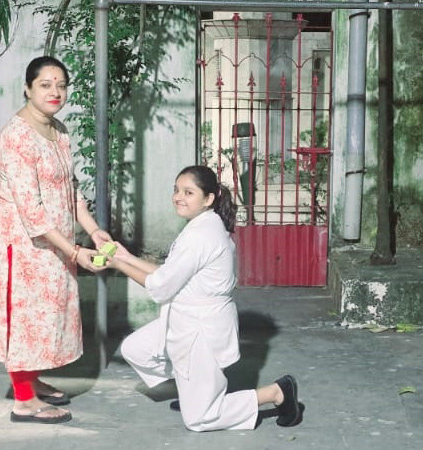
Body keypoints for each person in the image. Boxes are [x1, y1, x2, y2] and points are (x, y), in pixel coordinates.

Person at [109, 165, 302, 432]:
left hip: (199, 327)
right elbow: (169, 274)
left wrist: (116, 265)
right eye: (176, 190)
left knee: (199, 419)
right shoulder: (201, 225)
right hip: (185, 319)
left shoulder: (201, 235)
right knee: (137, 349)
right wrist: (125, 257)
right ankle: (193, 391)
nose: (179, 197)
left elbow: (161, 286)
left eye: (189, 192)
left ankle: (276, 393)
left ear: (209, 198)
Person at [0, 56, 112, 424]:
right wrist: (75, 250)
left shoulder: (59, 131)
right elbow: (32, 213)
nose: (55, 92)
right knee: (24, 315)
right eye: (45, 84)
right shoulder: (15, 137)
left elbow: (71, 191)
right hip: (21, 240)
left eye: (60, 85)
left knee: (46, 315)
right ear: (27, 89)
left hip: (54, 239)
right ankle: (23, 400)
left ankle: (32, 380)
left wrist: (93, 230)